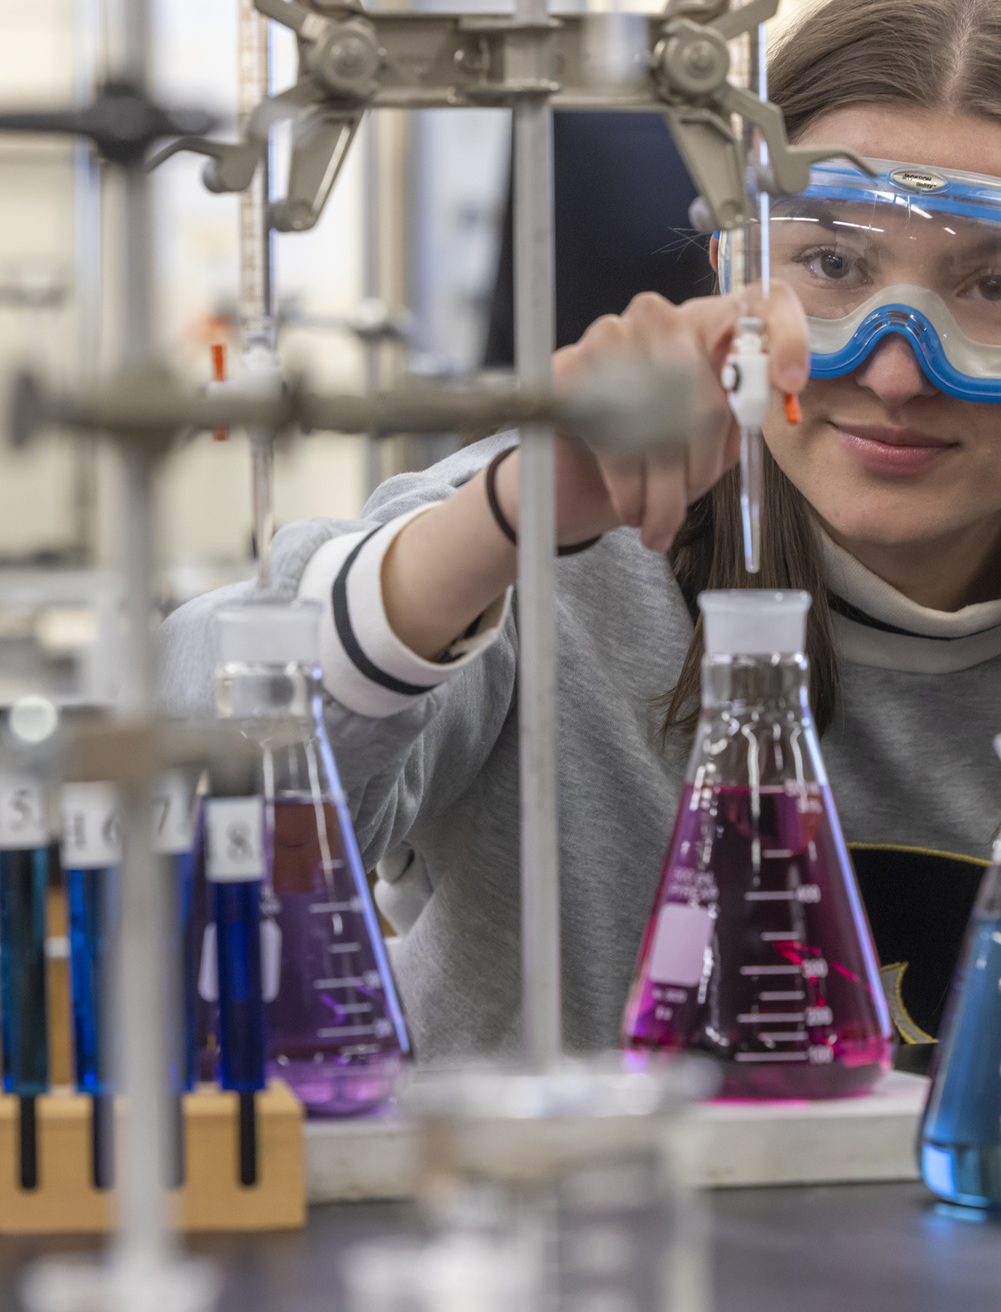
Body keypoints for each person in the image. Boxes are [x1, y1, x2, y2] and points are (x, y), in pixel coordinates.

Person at [161, 0, 1001, 1066]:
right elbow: (184, 759)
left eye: (993, 284)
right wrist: (500, 525)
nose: (895, 369)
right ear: (735, 268)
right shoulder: (557, 543)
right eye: (832, 265)